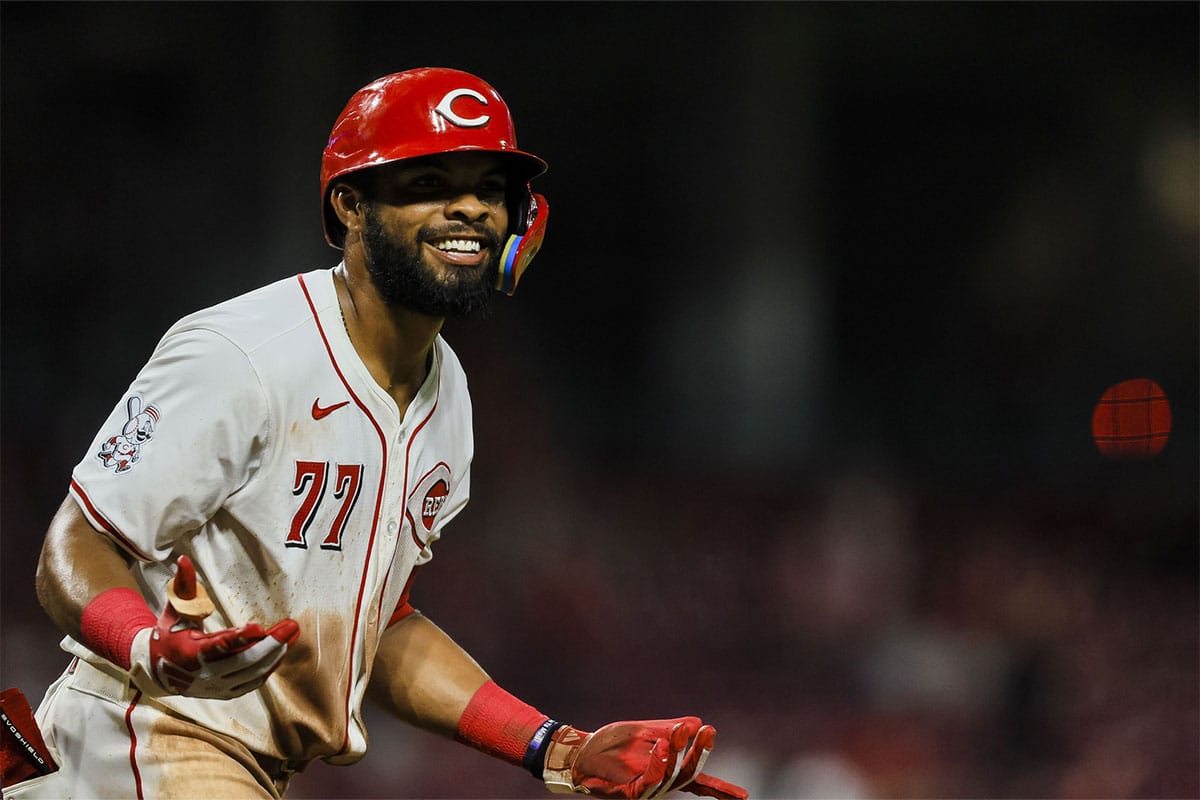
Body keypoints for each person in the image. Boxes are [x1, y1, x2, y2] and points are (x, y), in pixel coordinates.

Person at [13, 68, 748, 800]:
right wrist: (145, 643)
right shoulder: (243, 354)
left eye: (490, 190)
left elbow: (379, 628)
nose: (470, 209)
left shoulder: (449, 395)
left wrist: (552, 745)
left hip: (243, 768)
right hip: (140, 737)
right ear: (351, 205)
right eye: (430, 183)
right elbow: (76, 546)